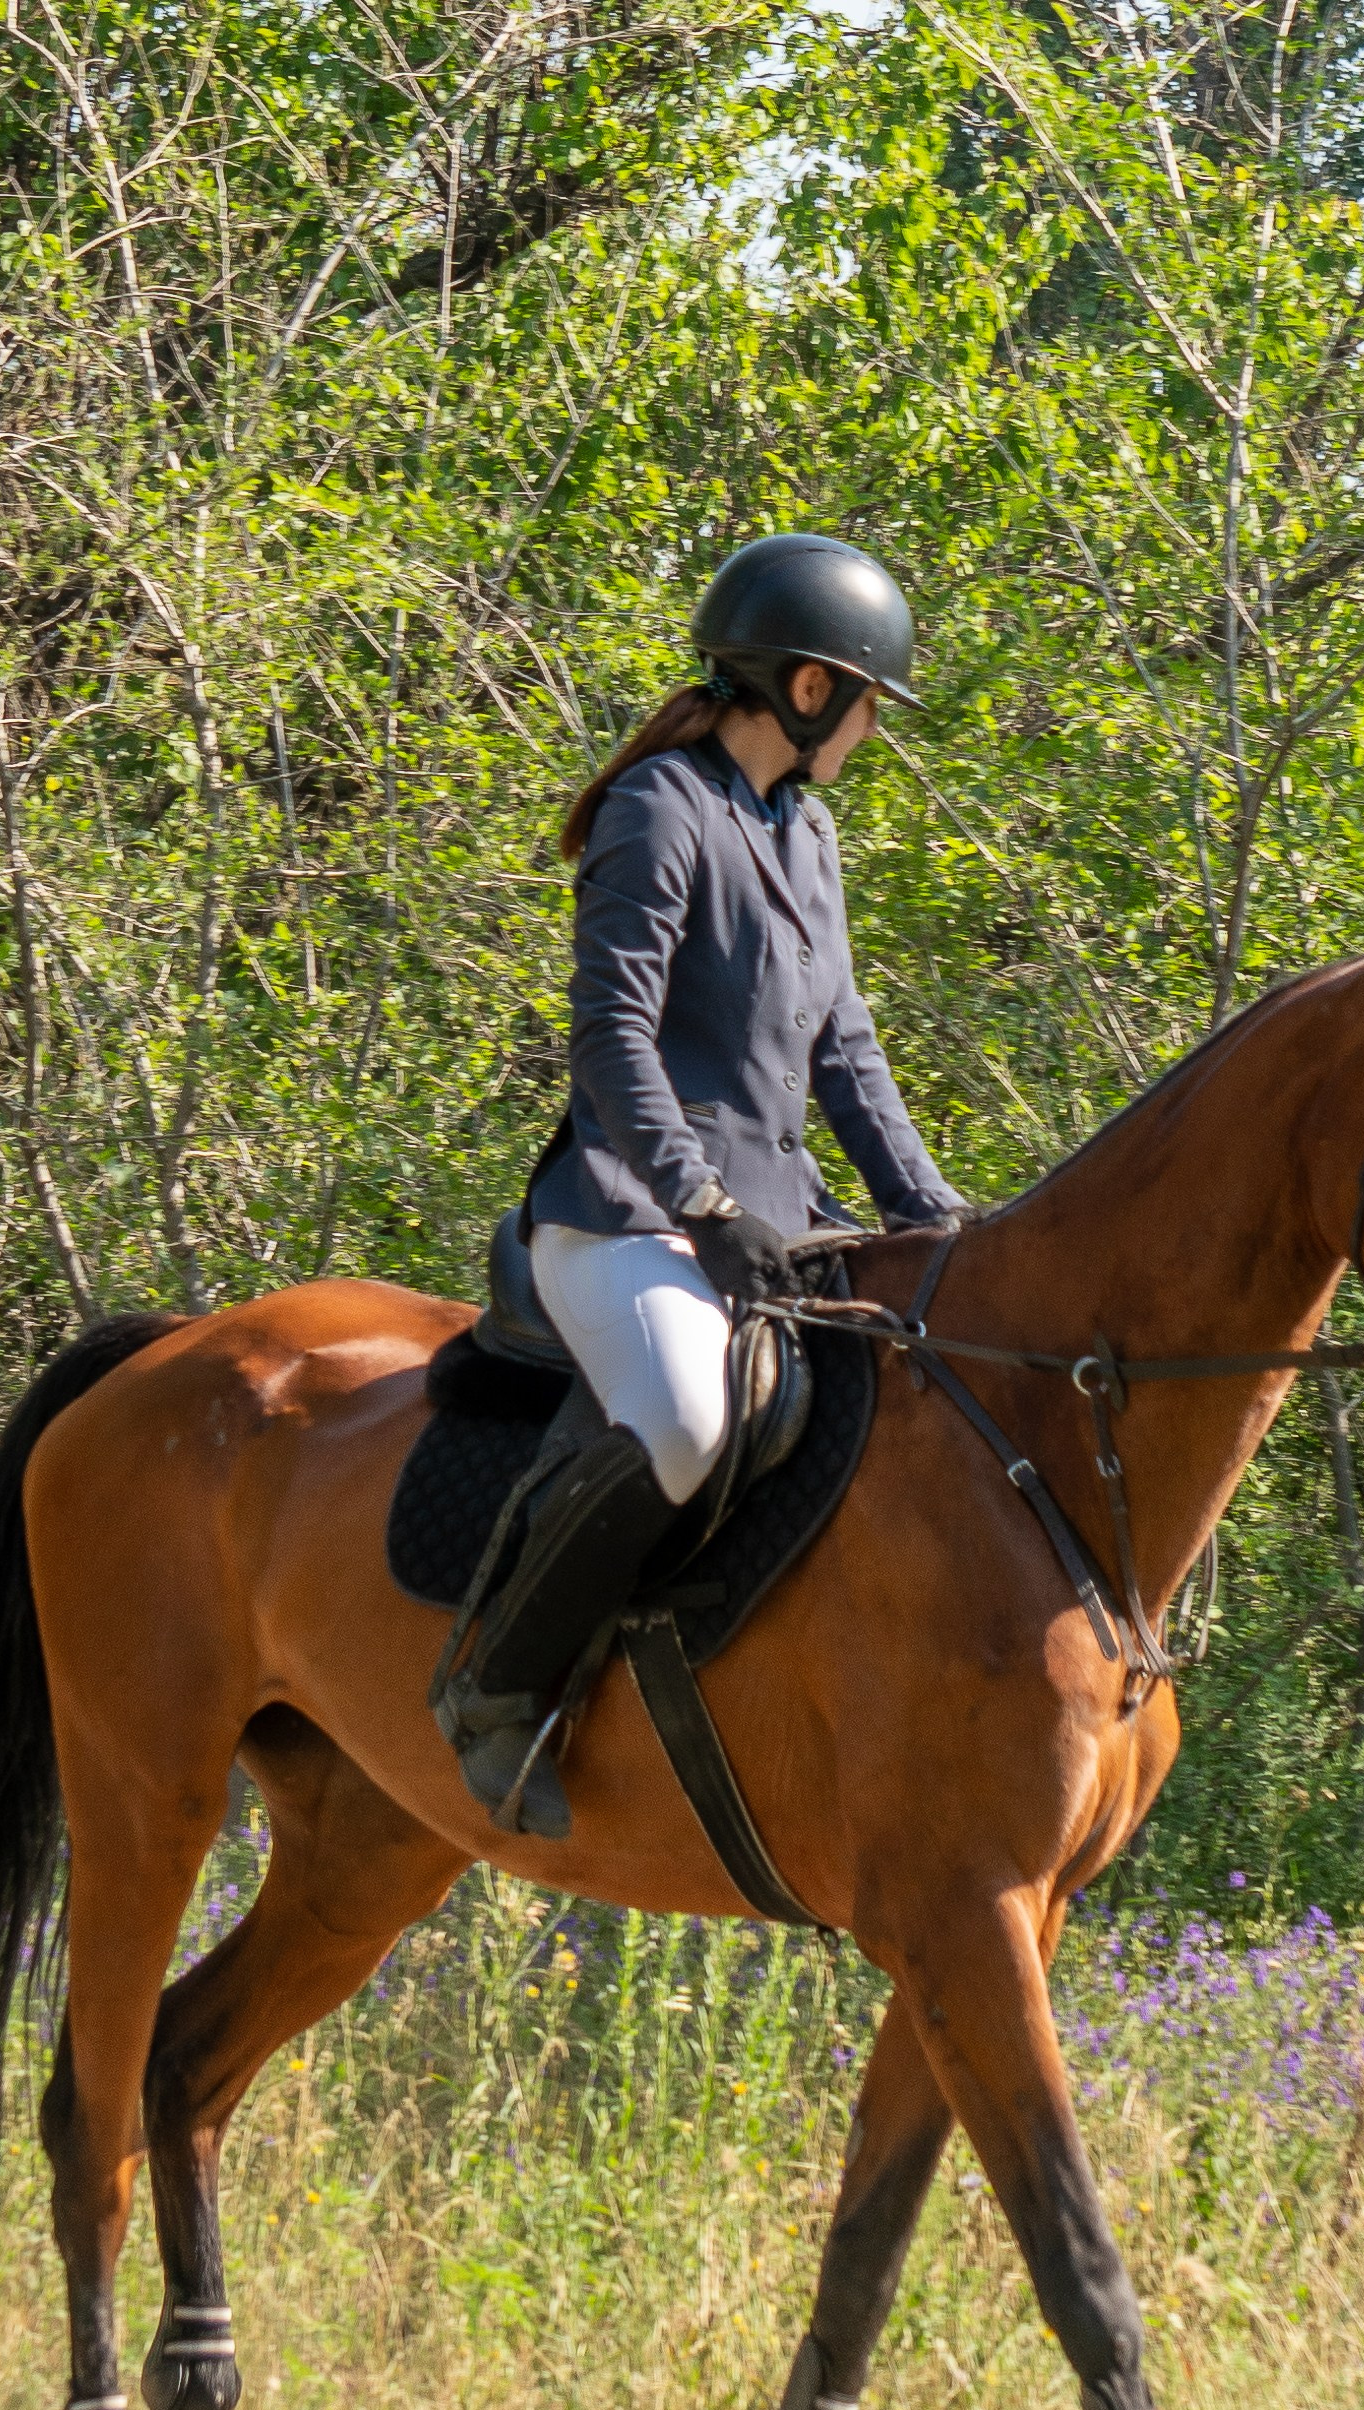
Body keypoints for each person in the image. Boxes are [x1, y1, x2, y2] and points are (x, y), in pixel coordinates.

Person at [437, 532, 967, 1838]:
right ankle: (496, 1684)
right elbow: (612, 1040)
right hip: (622, 1212)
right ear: (805, 691)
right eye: (865, 706)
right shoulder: (658, 809)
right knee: (684, 1416)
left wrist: (936, 1218)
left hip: (767, 1229)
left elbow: (845, 1050)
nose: (869, 734)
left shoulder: (808, 834)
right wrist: (701, 1205)